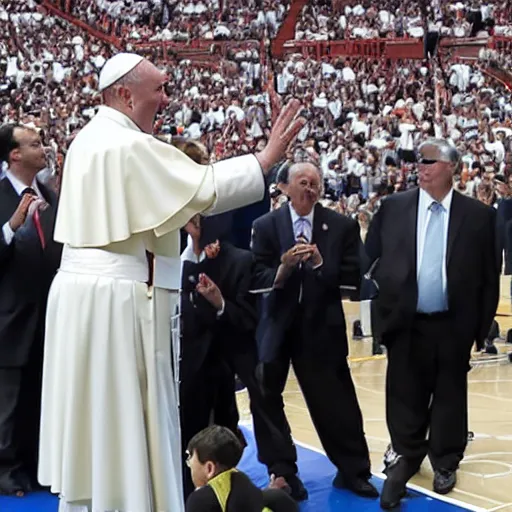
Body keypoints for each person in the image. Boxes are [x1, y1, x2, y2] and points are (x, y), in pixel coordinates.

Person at [37, 52, 304, 512]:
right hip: (118, 301)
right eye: (158, 88)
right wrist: (263, 159)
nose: (166, 97)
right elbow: (203, 188)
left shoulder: (89, 139)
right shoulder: (126, 145)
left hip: (90, 294)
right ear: (125, 93)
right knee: (123, 423)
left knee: (97, 425)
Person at [364, 139, 500, 509]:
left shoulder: (480, 216)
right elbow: (369, 261)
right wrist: (381, 316)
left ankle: (445, 460)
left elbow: (489, 276)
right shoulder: (393, 208)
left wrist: (480, 327)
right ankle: (406, 457)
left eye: (428, 161)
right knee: (404, 391)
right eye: (418, 161)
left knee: (450, 395)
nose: (420, 166)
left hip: (454, 322)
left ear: (451, 167)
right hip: (405, 321)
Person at [250, 161, 378, 501]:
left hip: (322, 326)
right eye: (303, 182)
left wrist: (321, 264)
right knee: (265, 398)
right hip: (276, 325)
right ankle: (283, 473)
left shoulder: (341, 226)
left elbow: (355, 278)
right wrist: (284, 267)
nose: (310, 188)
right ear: (286, 188)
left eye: (315, 184)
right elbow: (256, 277)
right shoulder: (265, 226)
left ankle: (353, 471)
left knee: (336, 402)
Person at [0, 124, 62, 496]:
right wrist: (11, 227)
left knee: (42, 395)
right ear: (14, 155)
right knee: (8, 402)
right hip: (10, 318)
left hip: (50, 314)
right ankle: (5, 471)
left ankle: (39, 465)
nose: (44, 149)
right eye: (34, 144)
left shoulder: (50, 195)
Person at [185, 425, 297, 512]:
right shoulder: (242, 481)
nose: (190, 466)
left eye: (190, 461)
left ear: (209, 468)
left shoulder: (200, 501)